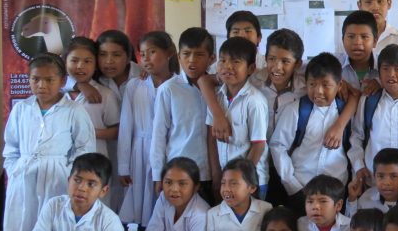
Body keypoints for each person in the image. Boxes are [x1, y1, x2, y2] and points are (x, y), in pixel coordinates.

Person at [4, 53, 96, 231]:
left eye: (48, 79)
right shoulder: (22, 109)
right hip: (27, 182)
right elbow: (11, 147)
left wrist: (72, 180)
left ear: (62, 81)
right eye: (35, 79)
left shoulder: (74, 111)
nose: (41, 85)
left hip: (60, 182)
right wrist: (16, 170)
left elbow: (85, 149)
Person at [270, 53, 352, 214]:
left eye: (326, 85)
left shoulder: (347, 114)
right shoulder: (296, 110)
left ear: (339, 85)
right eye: (312, 84)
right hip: (301, 189)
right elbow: (277, 145)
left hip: (336, 191)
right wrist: (291, 184)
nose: (318, 91)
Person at [118, 31, 178, 231]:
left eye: (152, 52)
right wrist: (123, 165)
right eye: (142, 54)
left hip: (169, 151)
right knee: (140, 205)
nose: (146, 58)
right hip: (140, 151)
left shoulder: (179, 85)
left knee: (165, 201)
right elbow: (126, 127)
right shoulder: (135, 86)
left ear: (169, 53)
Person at [151, 27, 216, 202]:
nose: (192, 60)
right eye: (186, 54)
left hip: (211, 172)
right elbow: (158, 135)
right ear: (178, 57)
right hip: (179, 173)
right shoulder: (169, 90)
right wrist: (158, 175)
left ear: (211, 58)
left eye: (199, 54)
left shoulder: (219, 88)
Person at [205, 37, 269, 198]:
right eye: (223, 60)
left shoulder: (254, 100)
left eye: (236, 61)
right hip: (225, 179)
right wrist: (216, 174)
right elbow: (211, 138)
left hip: (250, 180)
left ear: (251, 68)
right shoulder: (217, 97)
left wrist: (242, 180)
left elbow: (258, 145)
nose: (227, 66)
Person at [348, 45, 398, 181]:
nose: (391, 74)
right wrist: (359, 166)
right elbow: (357, 136)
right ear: (379, 74)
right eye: (385, 69)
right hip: (372, 178)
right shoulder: (369, 100)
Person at [65, 37, 121, 159]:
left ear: (96, 65)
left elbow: (117, 131)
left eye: (87, 61)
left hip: (94, 162)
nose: (80, 66)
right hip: (61, 165)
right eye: (74, 61)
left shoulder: (105, 94)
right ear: (65, 62)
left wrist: (88, 132)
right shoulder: (56, 93)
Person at [347, 148, 398, 216]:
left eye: (393, 176)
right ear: (374, 176)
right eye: (381, 176)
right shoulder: (365, 200)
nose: (386, 183)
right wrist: (352, 199)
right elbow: (353, 226)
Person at [337, 10, 380, 91]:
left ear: (374, 41)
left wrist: (382, 83)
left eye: (364, 37)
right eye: (351, 36)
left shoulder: (386, 67)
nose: (357, 43)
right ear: (343, 40)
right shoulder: (331, 65)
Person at [96, 29, 142, 101]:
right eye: (102, 54)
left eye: (116, 55)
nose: (109, 61)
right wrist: (82, 86)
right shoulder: (94, 77)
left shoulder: (143, 75)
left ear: (128, 57)